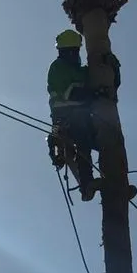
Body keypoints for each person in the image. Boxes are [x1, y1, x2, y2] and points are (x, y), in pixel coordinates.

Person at [46, 29, 102, 201]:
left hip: (81, 118)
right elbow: (71, 94)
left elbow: (96, 80)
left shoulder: (80, 71)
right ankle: (87, 183)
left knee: (104, 142)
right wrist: (95, 93)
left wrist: (111, 65)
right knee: (82, 141)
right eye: (74, 51)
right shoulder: (58, 68)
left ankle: (113, 180)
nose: (76, 55)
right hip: (66, 119)